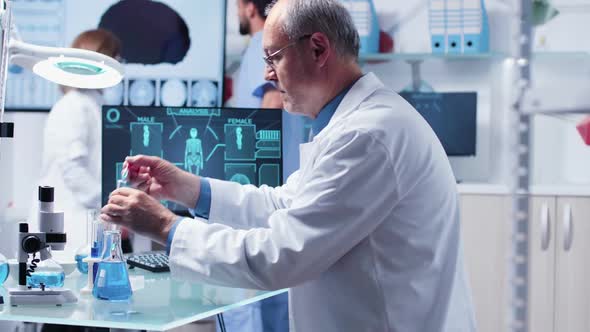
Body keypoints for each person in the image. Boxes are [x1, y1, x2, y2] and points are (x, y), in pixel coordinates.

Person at [102, 0, 476, 331]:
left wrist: (164, 226)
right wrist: (190, 188)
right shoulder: (351, 125)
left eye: (273, 57)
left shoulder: (369, 134)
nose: (266, 74)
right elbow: (284, 204)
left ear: (317, 48)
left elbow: (281, 255)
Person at [31, 29, 131, 254]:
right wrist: (111, 207)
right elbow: (72, 168)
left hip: (85, 221)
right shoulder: (74, 105)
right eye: (115, 58)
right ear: (100, 58)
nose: (119, 65)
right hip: (72, 225)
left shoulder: (91, 104)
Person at [231, 0, 290, 331]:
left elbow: (269, 111)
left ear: (246, 5)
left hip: (263, 190)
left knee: (256, 302)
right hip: (275, 190)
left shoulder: (262, 46)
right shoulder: (270, 46)